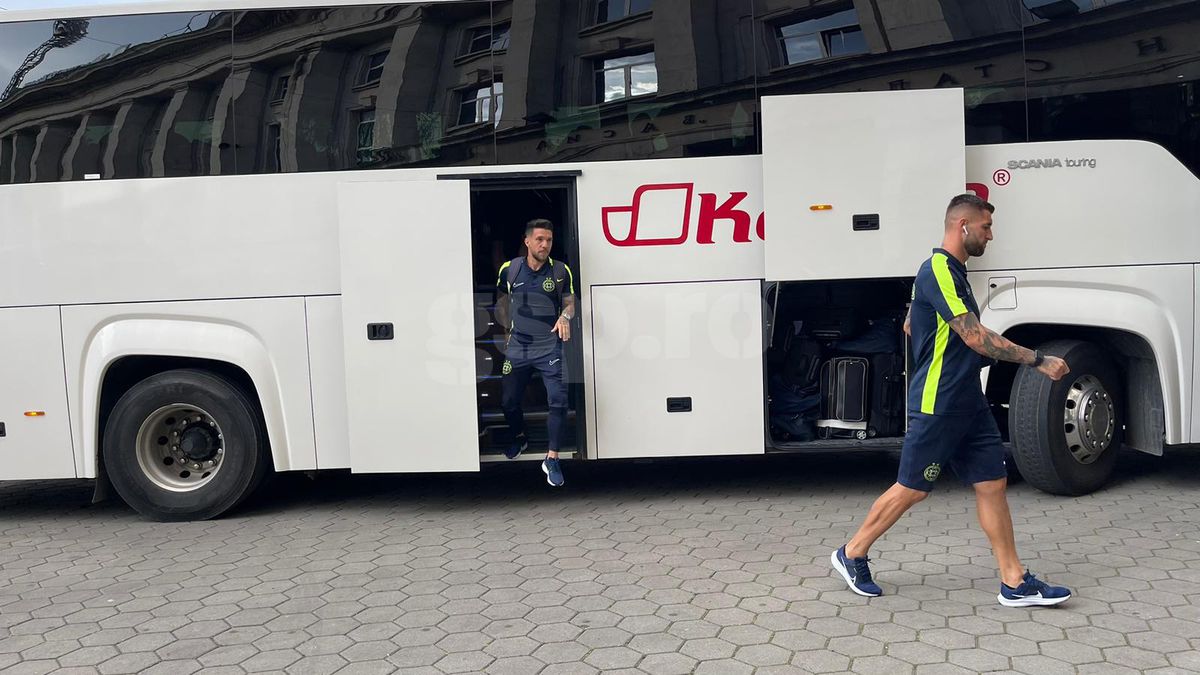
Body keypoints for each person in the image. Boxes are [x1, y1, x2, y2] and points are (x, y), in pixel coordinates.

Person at [832, 193, 1074, 607]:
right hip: (939, 401)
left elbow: (913, 320)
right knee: (912, 489)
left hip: (968, 401)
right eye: (985, 227)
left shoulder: (952, 273)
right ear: (963, 227)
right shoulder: (939, 269)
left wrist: (923, 324)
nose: (990, 236)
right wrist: (1037, 360)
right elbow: (976, 338)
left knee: (992, 484)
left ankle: (1014, 581)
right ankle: (851, 552)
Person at [494, 218, 576, 487]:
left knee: (559, 400)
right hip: (518, 346)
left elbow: (570, 303)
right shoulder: (511, 269)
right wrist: (507, 333)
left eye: (549, 240)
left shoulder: (561, 271)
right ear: (527, 241)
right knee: (508, 400)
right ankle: (518, 435)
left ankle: (552, 458)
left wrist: (564, 316)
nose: (545, 245)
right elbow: (502, 301)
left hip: (549, 346)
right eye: (539, 239)